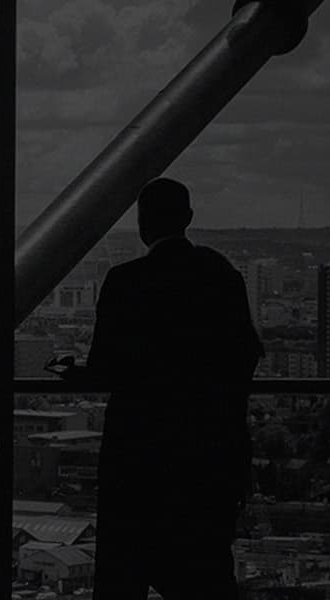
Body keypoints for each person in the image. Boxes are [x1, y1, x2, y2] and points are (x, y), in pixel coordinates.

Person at [50, 177, 264, 600]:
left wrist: (72, 373)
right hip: (209, 452)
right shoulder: (221, 275)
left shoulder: (126, 281)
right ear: (188, 218)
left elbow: (106, 370)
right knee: (207, 572)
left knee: (122, 571)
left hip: (138, 453)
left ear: (142, 223)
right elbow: (245, 356)